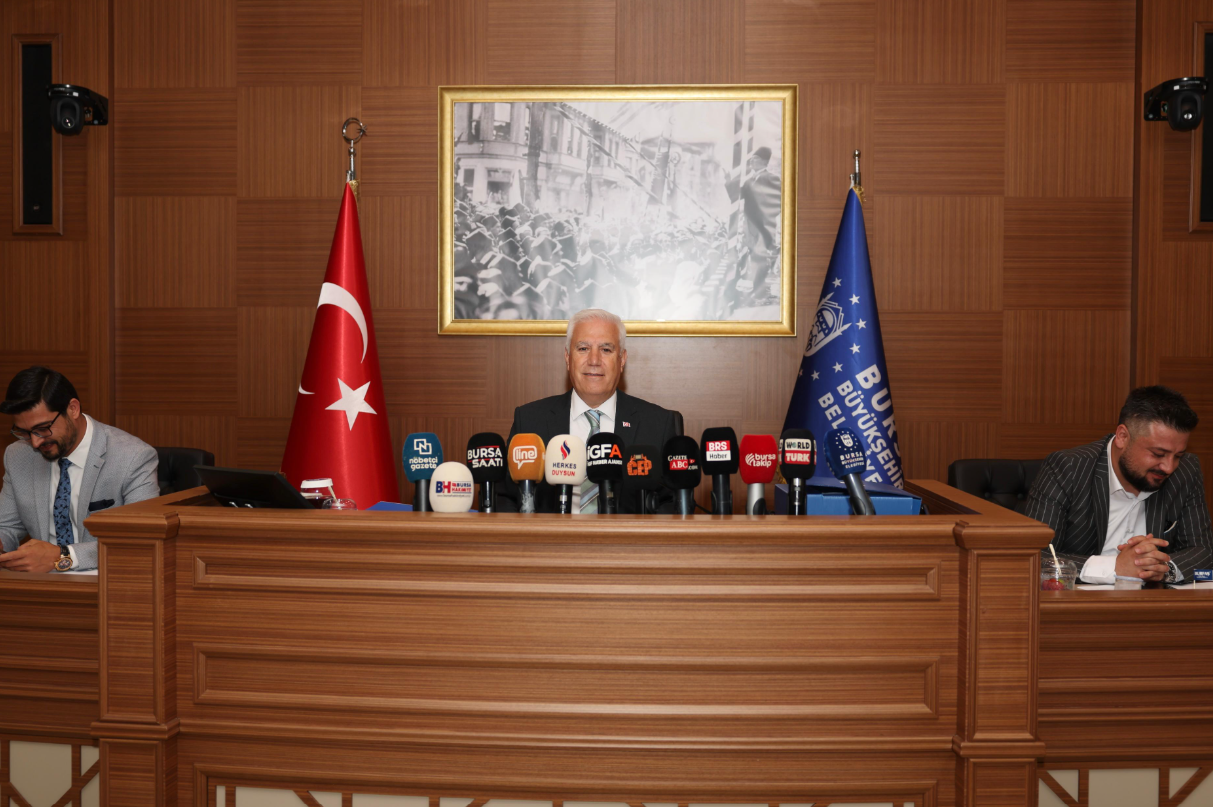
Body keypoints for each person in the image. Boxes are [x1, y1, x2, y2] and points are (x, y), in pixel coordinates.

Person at [1023, 385, 1212, 584]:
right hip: (1079, 600)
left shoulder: (1186, 471)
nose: (1169, 467)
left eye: (1178, 456)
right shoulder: (1068, 468)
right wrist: (1115, 567)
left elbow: (1204, 552)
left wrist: (1163, 569)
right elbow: (1035, 556)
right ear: (1122, 437)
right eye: (1158, 454)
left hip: (1151, 601)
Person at [501, 308, 679, 513]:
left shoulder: (657, 424)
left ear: (622, 359)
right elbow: (504, 498)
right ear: (567, 357)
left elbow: (673, 504)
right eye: (583, 348)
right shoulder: (530, 422)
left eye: (606, 349)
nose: (594, 360)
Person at [0, 367, 159, 573]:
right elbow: (7, 526)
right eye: (24, 432)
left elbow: (140, 540)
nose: (35, 442)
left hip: (106, 579)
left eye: (43, 429)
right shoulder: (18, 455)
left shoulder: (133, 457)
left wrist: (63, 556)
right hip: (40, 582)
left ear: (73, 409)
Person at [740, 146, 781, 304]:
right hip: (750, 226)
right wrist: (729, 181)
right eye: (751, 159)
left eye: (755, 159)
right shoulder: (749, 181)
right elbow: (737, 196)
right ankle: (757, 290)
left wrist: (768, 216)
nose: (751, 161)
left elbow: (781, 200)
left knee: (761, 257)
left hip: (764, 225)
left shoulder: (772, 179)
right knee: (753, 256)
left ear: (764, 161)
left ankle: (760, 292)